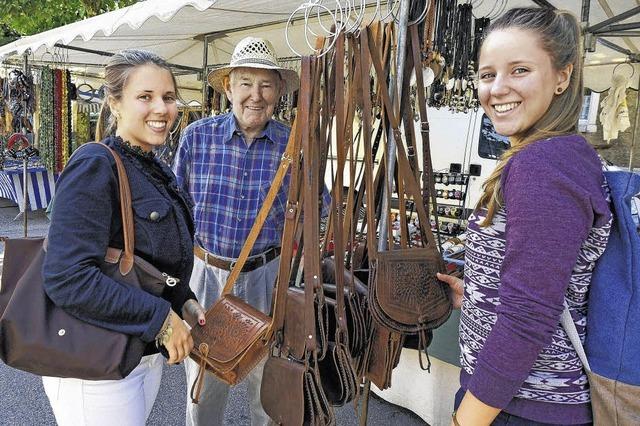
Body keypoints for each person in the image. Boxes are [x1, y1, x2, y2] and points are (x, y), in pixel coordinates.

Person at [436, 8, 612, 426]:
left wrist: (468, 420)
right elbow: (550, 285)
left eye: (519, 70)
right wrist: (477, 292)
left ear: (562, 76)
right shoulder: (559, 155)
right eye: (487, 74)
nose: (498, 89)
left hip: (523, 407)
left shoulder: (543, 164)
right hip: (520, 401)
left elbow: (528, 316)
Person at [42, 49, 206, 426]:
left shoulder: (152, 167)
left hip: (137, 356)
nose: (161, 108)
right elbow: (67, 277)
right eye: (145, 97)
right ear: (114, 103)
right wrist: (161, 319)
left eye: (168, 97)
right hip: (95, 363)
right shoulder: (95, 165)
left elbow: (146, 257)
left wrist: (182, 300)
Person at [173, 36, 329, 425]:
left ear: (278, 91)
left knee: (266, 384)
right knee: (204, 384)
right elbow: (176, 213)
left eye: (266, 85)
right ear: (228, 87)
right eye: (245, 83)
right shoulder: (197, 137)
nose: (254, 96)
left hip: (267, 277)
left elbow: (319, 209)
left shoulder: (295, 145)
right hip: (206, 277)